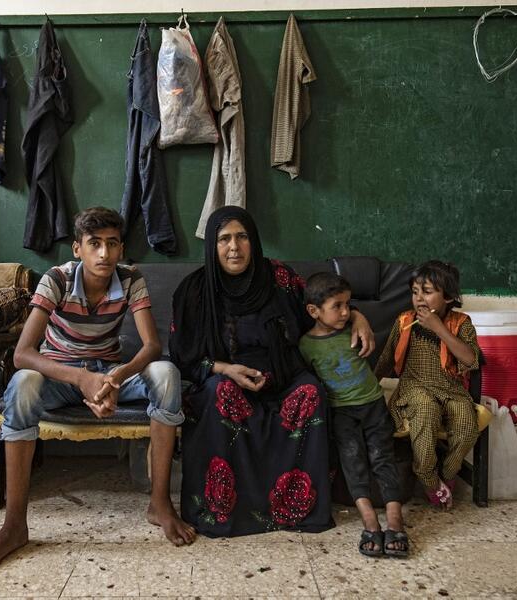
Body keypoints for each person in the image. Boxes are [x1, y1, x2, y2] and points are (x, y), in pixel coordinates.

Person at [0, 207, 194, 578]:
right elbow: (23, 354)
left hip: (109, 373)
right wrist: (82, 380)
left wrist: (113, 380)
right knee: (22, 384)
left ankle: (160, 503)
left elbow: (150, 347)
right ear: (77, 249)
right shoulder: (56, 280)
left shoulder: (132, 279)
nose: (104, 254)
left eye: (112, 244)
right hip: (60, 376)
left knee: (165, 373)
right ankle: (14, 526)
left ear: (121, 249)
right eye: (94, 244)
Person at [169, 206, 376, 537]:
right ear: (211, 244)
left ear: (254, 241)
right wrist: (226, 369)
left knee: (311, 392)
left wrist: (357, 317)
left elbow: (322, 308)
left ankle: (294, 511)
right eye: (224, 239)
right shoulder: (194, 291)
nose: (234, 247)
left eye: (242, 237)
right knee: (219, 393)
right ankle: (227, 513)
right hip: (226, 377)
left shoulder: (281, 279)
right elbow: (184, 358)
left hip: (284, 376)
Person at [299, 272, 408, 557]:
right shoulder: (306, 346)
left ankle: (396, 523)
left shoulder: (354, 328)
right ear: (313, 311)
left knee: (383, 457)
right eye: (338, 306)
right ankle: (370, 523)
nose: (346, 312)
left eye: (349, 304)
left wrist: (358, 317)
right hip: (341, 412)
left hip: (373, 405)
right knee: (353, 461)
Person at [374, 260, 480, 509]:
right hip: (415, 387)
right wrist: (368, 388)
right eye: (415, 292)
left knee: (467, 425)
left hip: (451, 389)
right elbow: (386, 358)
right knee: (425, 410)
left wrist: (440, 329)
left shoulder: (461, 323)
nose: (419, 299)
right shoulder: (404, 321)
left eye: (428, 292)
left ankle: (447, 473)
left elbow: (471, 360)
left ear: (449, 297)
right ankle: (428, 477)